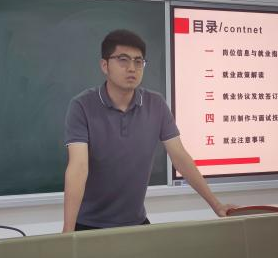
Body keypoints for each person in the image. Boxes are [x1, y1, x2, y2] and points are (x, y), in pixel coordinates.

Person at [62, 29, 236, 232]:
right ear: (104, 65)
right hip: (89, 224)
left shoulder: (156, 104)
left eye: (138, 61)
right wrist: (68, 231)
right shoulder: (82, 106)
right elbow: (78, 167)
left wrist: (216, 205)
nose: (132, 68)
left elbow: (180, 157)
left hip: (136, 222)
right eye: (123, 60)